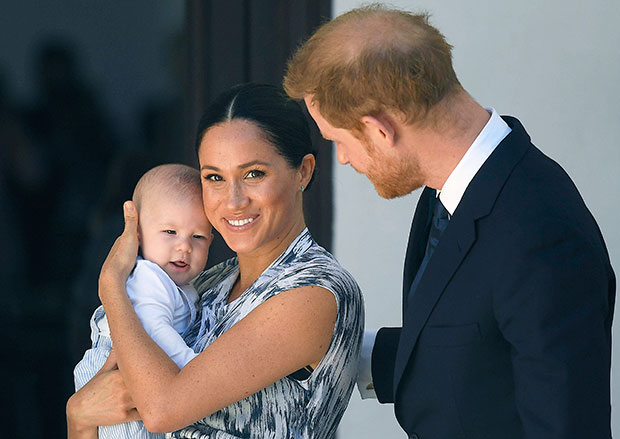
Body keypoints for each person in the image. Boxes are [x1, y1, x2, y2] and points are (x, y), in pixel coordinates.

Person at [283, 4, 615, 439]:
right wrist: (323, 348)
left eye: (339, 142)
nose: (343, 158)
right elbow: (471, 349)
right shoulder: (452, 188)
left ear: (380, 130)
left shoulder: (542, 233)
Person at [66, 83, 364, 439]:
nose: (233, 200)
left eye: (254, 173)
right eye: (215, 178)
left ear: (303, 171)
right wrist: (78, 416)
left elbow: (161, 411)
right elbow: (106, 416)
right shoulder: (204, 285)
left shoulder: (314, 291)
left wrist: (111, 286)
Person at [73, 163, 213, 438]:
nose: (184, 246)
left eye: (197, 237)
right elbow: (156, 331)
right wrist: (196, 372)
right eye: (170, 232)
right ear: (136, 234)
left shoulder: (180, 285)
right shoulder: (149, 279)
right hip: (116, 378)